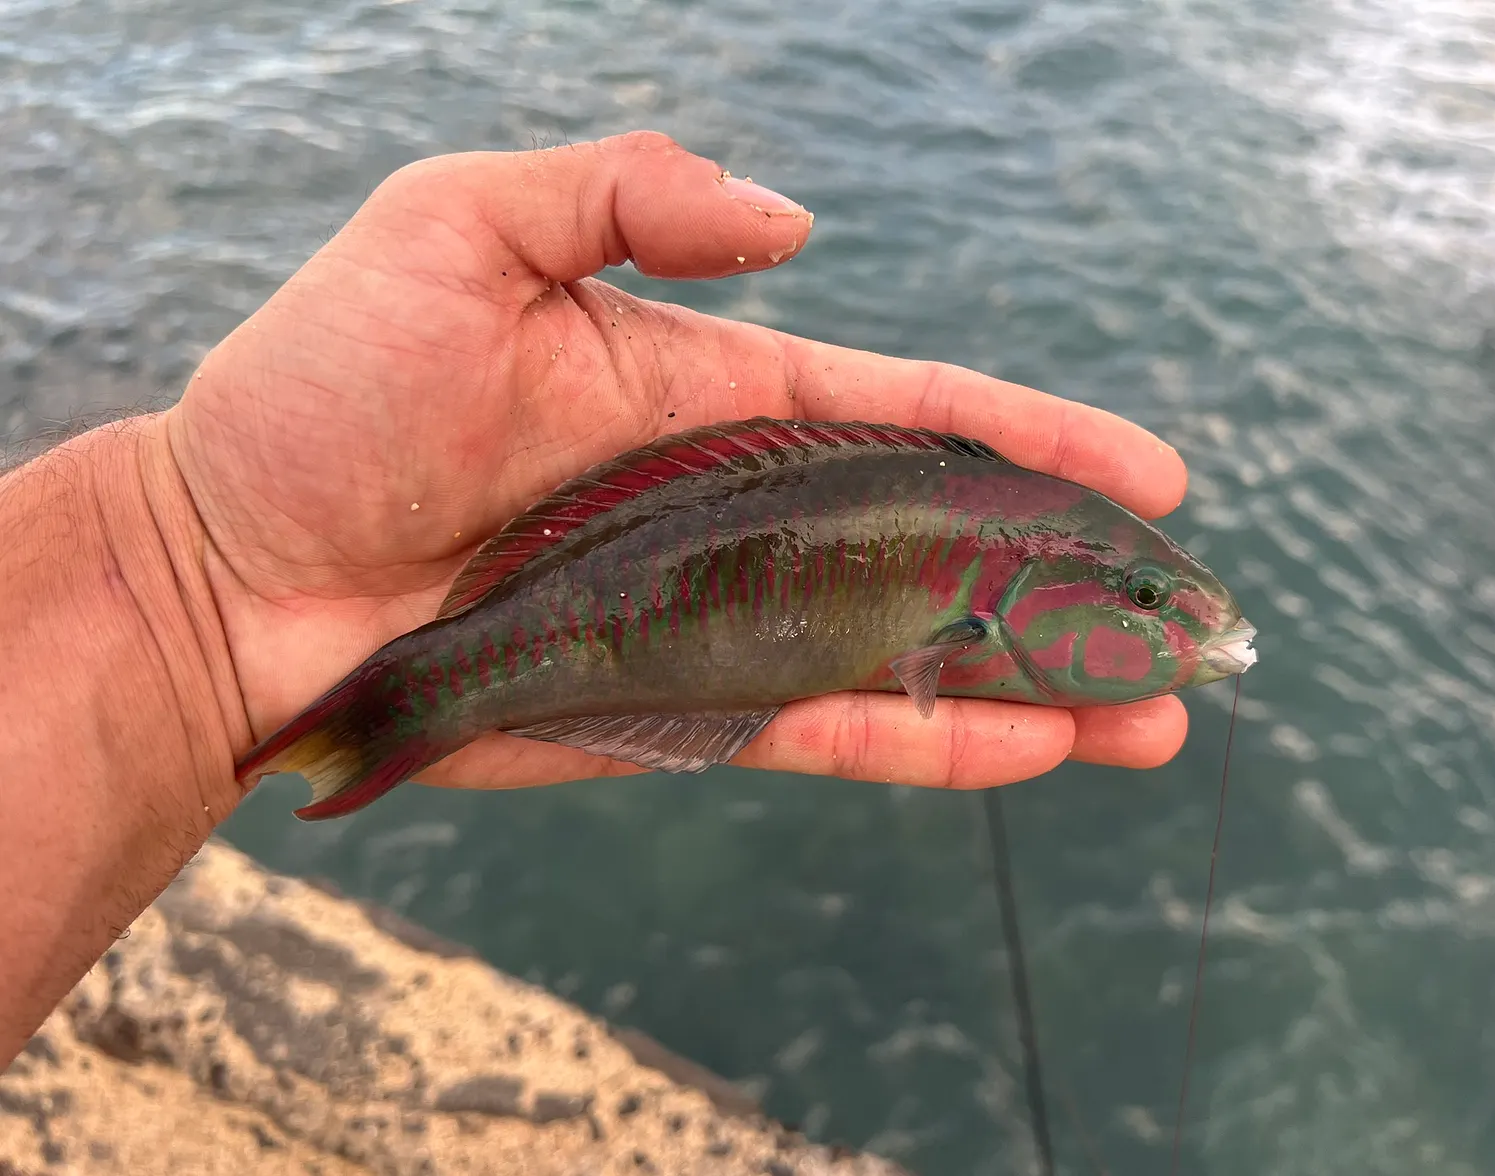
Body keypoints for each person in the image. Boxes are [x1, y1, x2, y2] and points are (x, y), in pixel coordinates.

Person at [0, 131, 1191, 1066]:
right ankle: (388, 713)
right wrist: (189, 564)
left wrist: (180, 575)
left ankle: (362, 723)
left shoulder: (989, 562)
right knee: (470, 677)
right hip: (594, 592)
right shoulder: (977, 592)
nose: (1174, 619)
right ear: (1032, 590)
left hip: (613, 584)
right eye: (1146, 594)